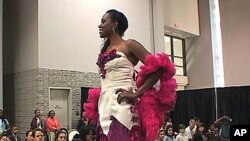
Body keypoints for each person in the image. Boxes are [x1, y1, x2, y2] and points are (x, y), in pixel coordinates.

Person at [84, 9, 176, 141]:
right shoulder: (105, 50)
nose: (100, 25)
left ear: (114, 24)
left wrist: (136, 93)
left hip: (123, 104)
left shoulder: (129, 45)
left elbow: (159, 68)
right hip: (104, 104)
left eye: (103, 21)